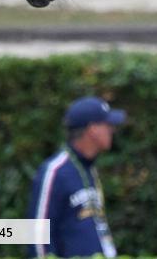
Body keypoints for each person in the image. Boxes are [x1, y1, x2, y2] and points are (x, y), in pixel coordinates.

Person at [27, 97, 126, 259]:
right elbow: (37, 234)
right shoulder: (55, 171)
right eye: (107, 125)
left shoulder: (90, 169)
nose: (112, 130)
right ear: (92, 129)